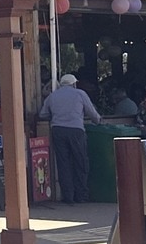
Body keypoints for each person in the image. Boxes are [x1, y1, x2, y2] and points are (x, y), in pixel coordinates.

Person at [37, 73, 101, 205]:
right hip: (76, 130)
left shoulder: (52, 96)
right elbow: (92, 113)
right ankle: (81, 195)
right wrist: (98, 121)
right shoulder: (80, 94)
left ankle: (68, 196)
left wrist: (56, 116)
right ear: (74, 84)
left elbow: (42, 114)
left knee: (63, 163)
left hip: (58, 130)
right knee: (80, 162)